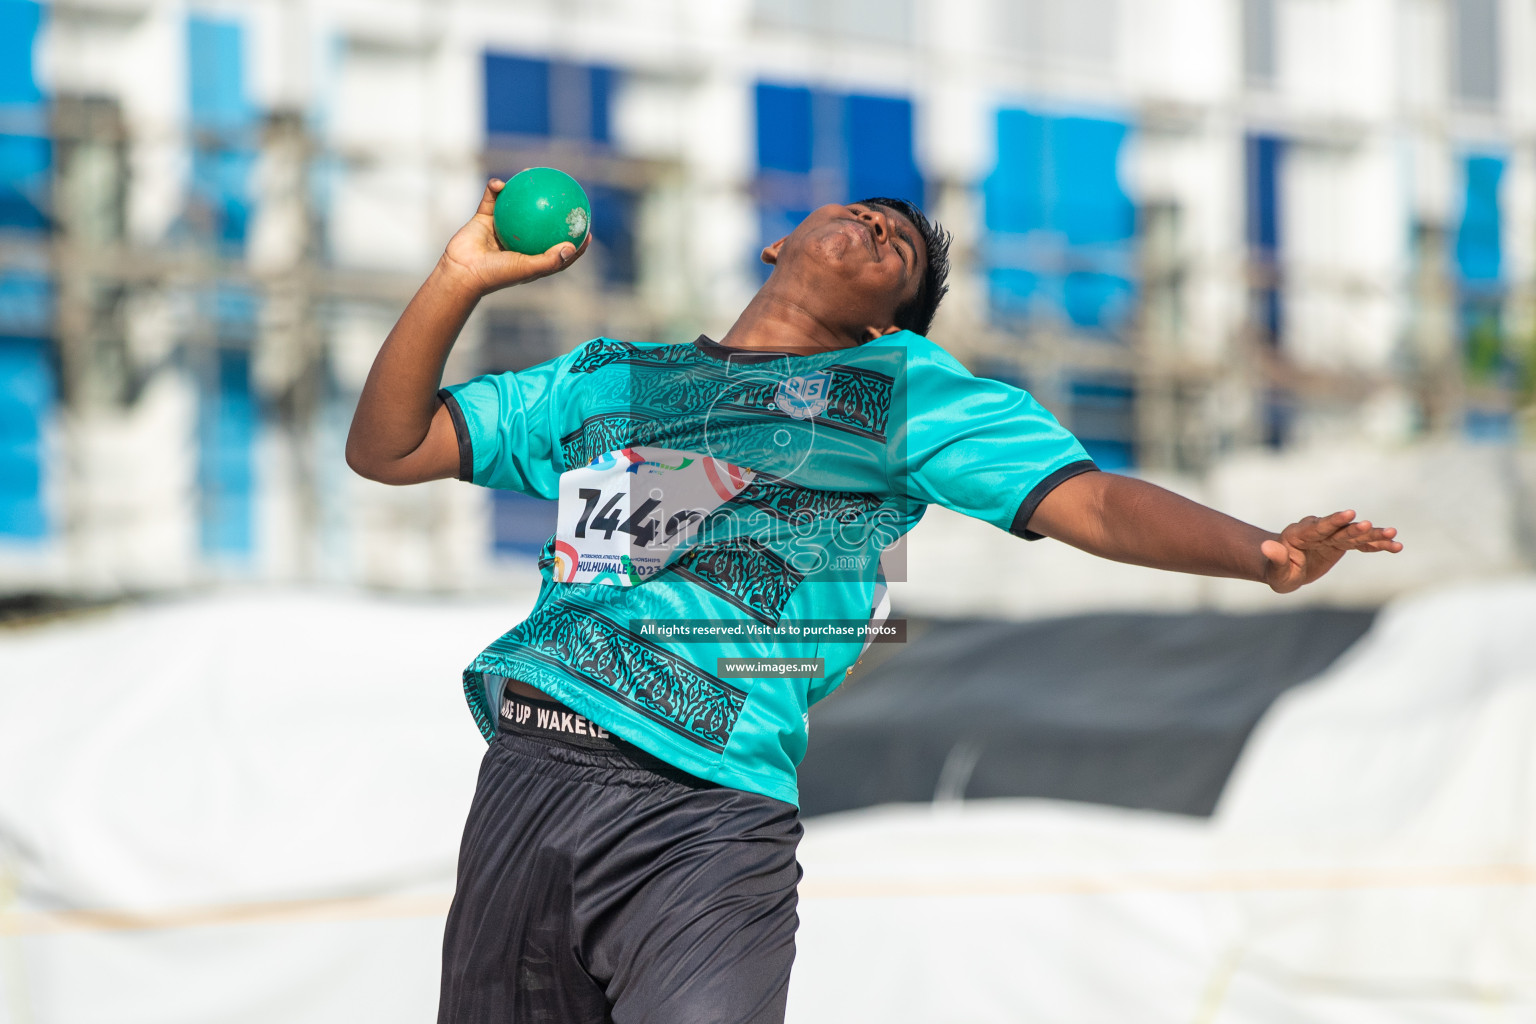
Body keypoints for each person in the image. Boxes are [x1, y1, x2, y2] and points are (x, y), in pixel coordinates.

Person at [346, 180, 1403, 1024]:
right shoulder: (611, 376)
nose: (878, 224)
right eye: (863, 210)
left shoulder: (907, 390)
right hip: (534, 766)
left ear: (890, 322)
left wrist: (1259, 553)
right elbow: (387, 448)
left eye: (901, 247)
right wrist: (457, 278)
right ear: (774, 245)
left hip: (705, 811)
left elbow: (1094, 501)